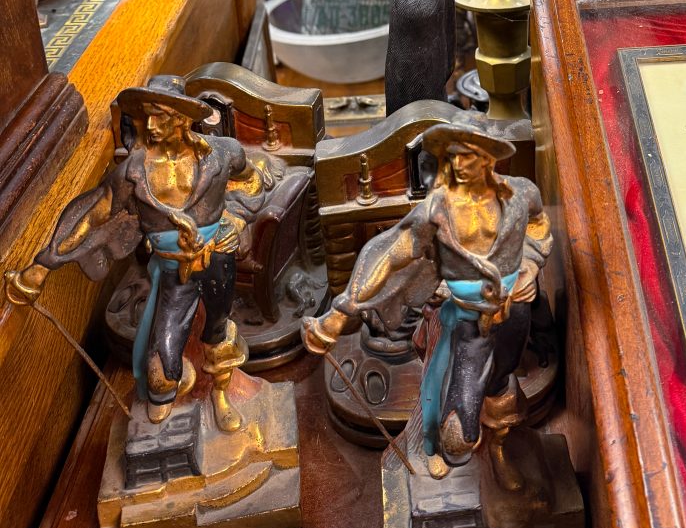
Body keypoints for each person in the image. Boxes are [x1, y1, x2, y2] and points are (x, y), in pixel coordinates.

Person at [302, 119, 551, 490]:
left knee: (501, 387)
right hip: (469, 324)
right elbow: (388, 255)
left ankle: (499, 453)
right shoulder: (437, 212)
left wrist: (530, 266)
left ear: (486, 159)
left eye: (465, 156)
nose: (457, 165)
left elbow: (539, 225)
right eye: (451, 157)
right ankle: (441, 447)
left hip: (514, 315)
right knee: (455, 431)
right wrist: (342, 312)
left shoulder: (520, 194)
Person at [4, 75, 251, 432]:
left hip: (219, 265)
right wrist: (43, 265)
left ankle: (222, 395)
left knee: (218, 330)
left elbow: (255, 180)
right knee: (161, 374)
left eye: (161, 116)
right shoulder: (132, 175)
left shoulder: (224, 153)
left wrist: (236, 219)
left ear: (181, 118)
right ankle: (168, 400)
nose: (151, 125)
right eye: (146, 115)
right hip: (174, 276)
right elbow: (91, 215)